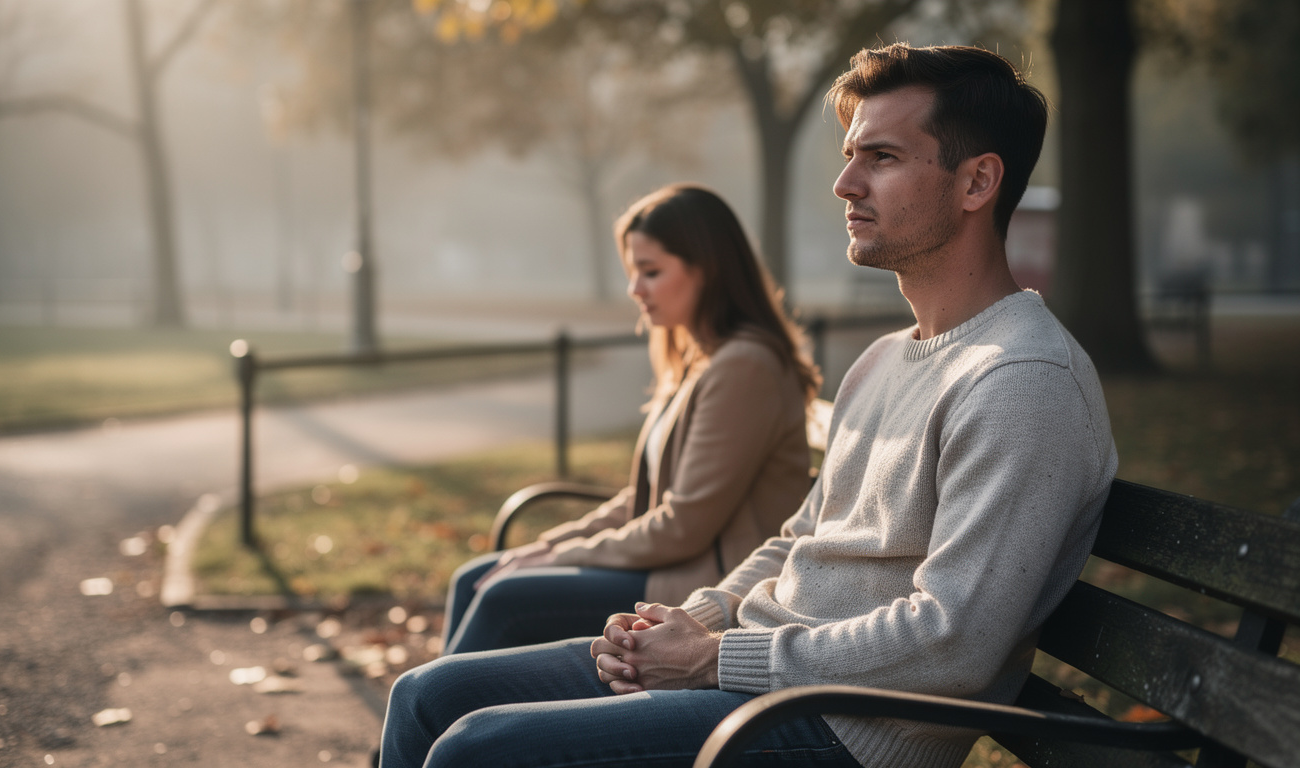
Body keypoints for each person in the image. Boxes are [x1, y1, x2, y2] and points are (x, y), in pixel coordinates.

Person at [380, 43, 1118, 768]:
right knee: (425, 696)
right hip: (757, 682)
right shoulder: (887, 358)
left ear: (977, 183)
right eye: (851, 153)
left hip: (838, 731)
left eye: (882, 158)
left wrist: (712, 658)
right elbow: (797, 537)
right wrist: (695, 620)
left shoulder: (1023, 380)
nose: (845, 183)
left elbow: (952, 641)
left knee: (477, 752)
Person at [441, 183, 821, 654]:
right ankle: (450, 712)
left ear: (708, 271)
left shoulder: (744, 366)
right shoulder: (698, 358)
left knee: (502, 598)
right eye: (633, 271)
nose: (634, 289)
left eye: (651, 271)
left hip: (702, 589)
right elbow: (641, 500)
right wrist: (551, 545)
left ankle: (451, 718)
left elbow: (682, 525)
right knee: (474, 577)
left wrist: (562, 555)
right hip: (668, 565)